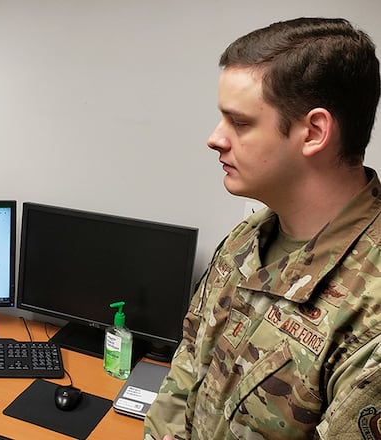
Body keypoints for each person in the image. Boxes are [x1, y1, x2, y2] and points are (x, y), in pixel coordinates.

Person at [144, 17, 381, 440]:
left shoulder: (370, 314)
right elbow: (183, 381)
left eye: (240, 122)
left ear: (313, 132)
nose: (215, 139)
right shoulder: (245, 241)